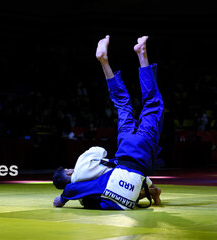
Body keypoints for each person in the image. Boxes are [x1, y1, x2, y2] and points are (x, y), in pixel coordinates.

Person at [53, 35, 164, 210]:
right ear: (67, 172)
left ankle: (142, 54)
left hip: (140, 153)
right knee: (122, 103)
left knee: (152, 103)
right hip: (124, 145)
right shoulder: (91, 181)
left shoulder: (93, 184)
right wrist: (62, 199)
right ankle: (105, 62)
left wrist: (62, 199)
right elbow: (72, 188)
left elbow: (72, 190)